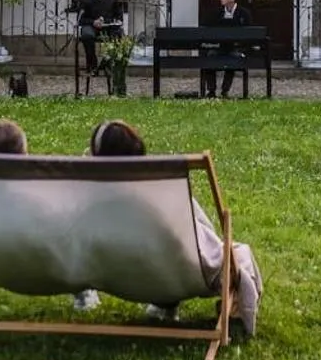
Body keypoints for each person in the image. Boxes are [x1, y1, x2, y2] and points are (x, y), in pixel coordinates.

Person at [88, 120, 261, 341]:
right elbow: (202, 244)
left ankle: (163, 304)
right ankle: (229, 316)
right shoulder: (162, 194)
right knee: (238, 257)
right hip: (175, 273)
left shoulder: (90, 202)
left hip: (118, 273)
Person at [201, 0, 250, 98]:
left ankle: (225, 90)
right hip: (219, 47)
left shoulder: (244, 13)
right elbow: (207, 28)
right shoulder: (216, 13)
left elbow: (248, 35)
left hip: (235, 48)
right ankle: (211, 90)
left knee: (233, 58)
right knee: (209, 56)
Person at [74, 0, 124, 74]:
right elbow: (81, 19)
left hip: (108, 27)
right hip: (91, 26)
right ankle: (93, 65)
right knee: (86, 34)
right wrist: (93, 22)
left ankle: (106, 63)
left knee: (118, 34)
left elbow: (119, 17)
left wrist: (106, 21)